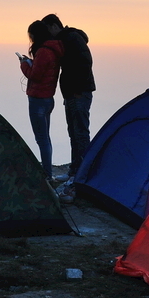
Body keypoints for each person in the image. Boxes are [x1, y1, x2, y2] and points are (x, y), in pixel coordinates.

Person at [42, 14, 96, 180]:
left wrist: (77, 88)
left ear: (53, 26)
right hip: (73, 93)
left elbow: (85, 62)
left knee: (80, 132)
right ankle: (75, 171)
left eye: (47, 30)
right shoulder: (69, 38)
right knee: (74, 131)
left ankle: (83, 173)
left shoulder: (72, 38)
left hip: (78, 92)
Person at [19, 20, 64, 178]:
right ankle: (47, 171)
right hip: (48, 99)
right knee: (45, 138)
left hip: (37, 100)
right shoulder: (54, 49)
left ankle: (46, 174)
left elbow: (35, 76)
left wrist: (24, 64)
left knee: (42, 139)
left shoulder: (44, 52)